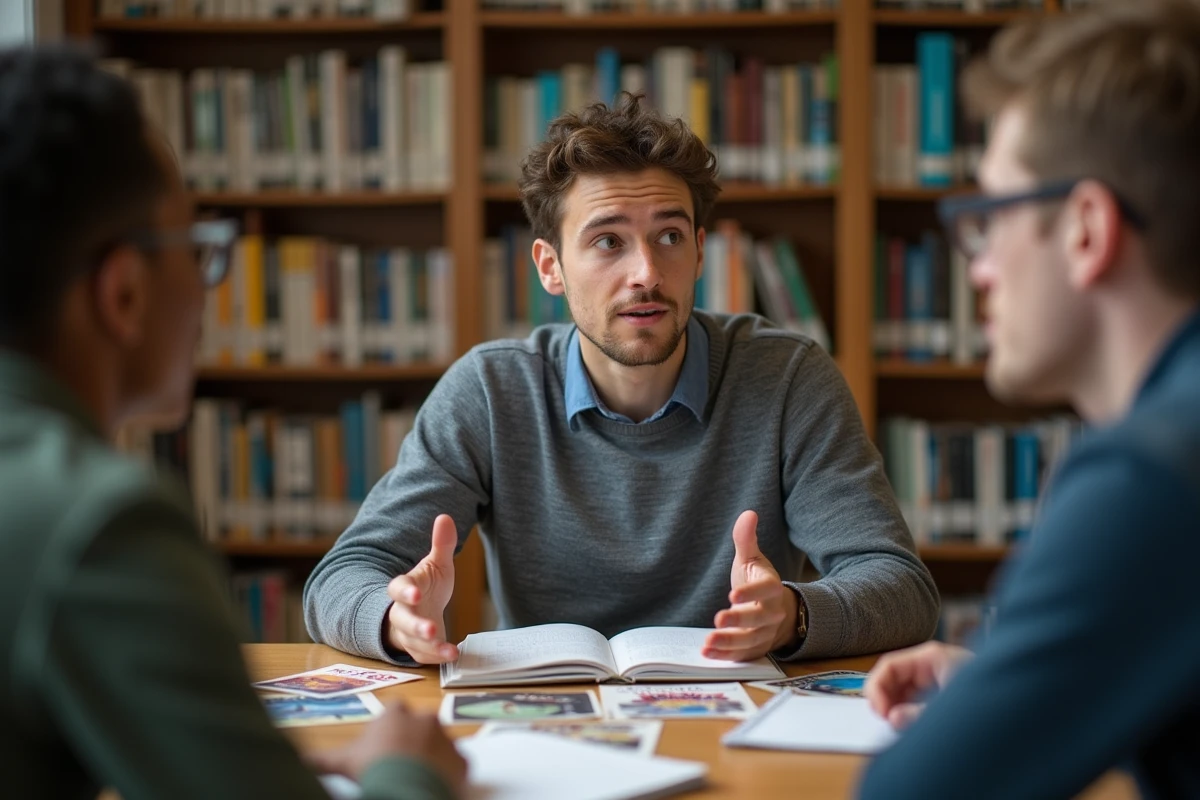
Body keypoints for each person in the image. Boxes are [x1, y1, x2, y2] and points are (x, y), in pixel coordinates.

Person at [304, 93, 940, 668]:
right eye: (608, 241)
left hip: (736, 713)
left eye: (668, 236)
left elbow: (901, 587)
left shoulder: (788, 378)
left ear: (698, 252)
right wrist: (394, 618)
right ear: (550, 267)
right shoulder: (491, 390)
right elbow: (341, 577)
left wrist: (794, 614)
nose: (645, 272)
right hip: (550, 717)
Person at [0, 46, 464, 799]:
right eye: (198, 249)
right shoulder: (97, 524)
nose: (208, 288)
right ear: (123, 294)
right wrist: (409, 769)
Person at [859, 2, 1200, 798]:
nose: (977, 268)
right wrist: (1012, 687)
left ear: (1086, 229)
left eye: (987, 218)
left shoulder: (1149, 478)